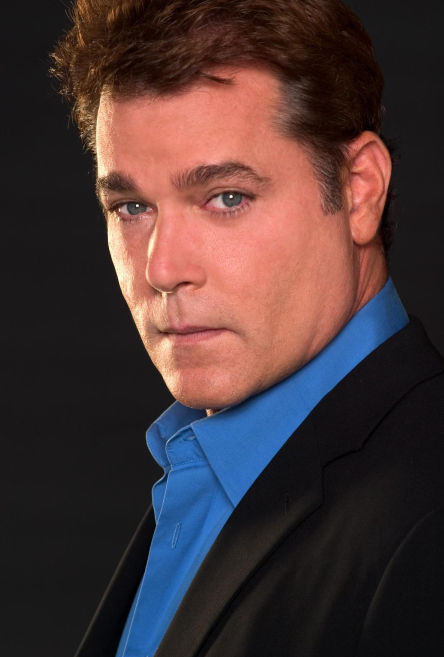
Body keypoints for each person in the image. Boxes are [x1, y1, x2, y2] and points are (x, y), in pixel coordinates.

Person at [51, 1, 444, 655]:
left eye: (226, 197)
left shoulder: (426, 523)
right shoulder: (207, 463)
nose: (162, 268)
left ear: (360, 190)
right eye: (132, 207)